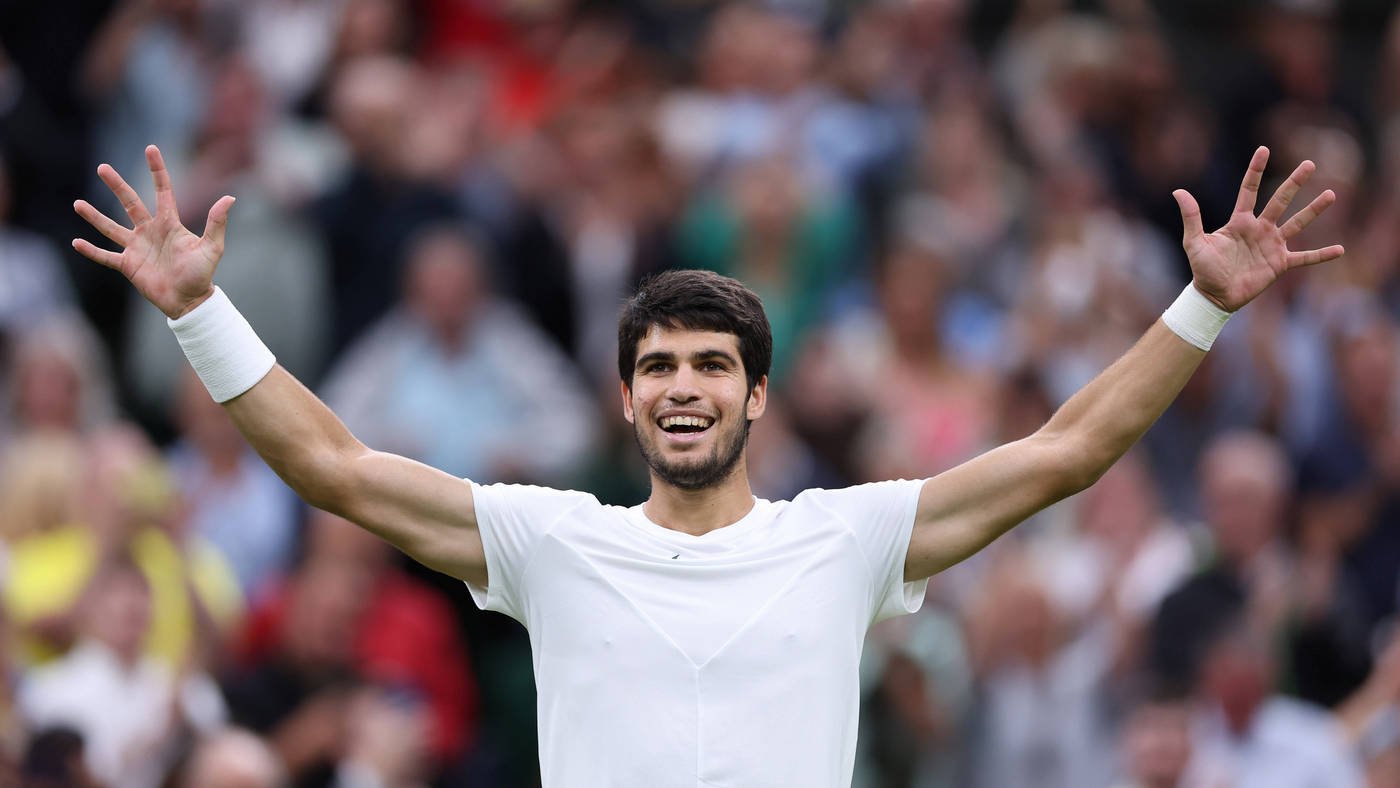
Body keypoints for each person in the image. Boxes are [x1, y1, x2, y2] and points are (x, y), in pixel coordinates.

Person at [71, 143, 1343, 787]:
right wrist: (197, 311)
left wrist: (1203, 305)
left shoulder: (846, 535)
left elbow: (1066, 451)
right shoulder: (546, 536)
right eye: (660, 366)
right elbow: (337, 467)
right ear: (626, 399)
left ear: (756, 395)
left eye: (712, 365)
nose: (684, 384)